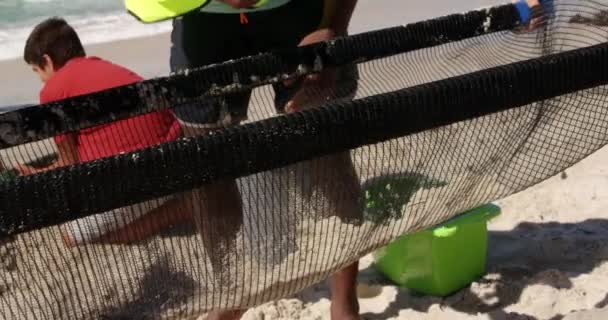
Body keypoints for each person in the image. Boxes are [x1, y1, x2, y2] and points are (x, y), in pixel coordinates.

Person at [165, 1, 362, 319]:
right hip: (204, 19)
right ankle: (232, 292)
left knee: (328, 146)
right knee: (208, 165)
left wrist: (333, 27)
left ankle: (344, 301)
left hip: (297, 10)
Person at [19, 17, 191, 246]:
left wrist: (35, 176)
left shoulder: (53, 89)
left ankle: (181, 210)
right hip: (176, 160)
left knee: (72, 236)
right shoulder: (102, 66)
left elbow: (70, 163)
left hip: (140, 177)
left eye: (36, 71)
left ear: (47, 61)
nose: (41, 81)